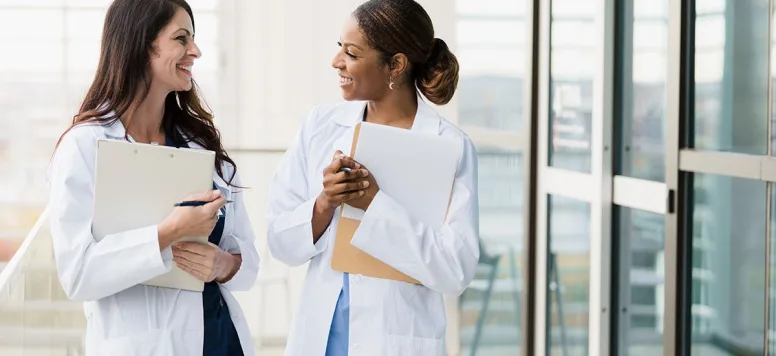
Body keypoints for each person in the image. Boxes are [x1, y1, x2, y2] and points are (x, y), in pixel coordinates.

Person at [267, 1, 480, 355]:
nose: (337, 62)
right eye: (340, 49)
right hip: (323, 334)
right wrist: (324, 203)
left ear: (395, 64)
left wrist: (374, 204)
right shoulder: (320, 126)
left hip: (396, 339)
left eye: (351, 53)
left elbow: (455, 270)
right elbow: (279, 241)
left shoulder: (449, 146)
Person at [47, 1, 259, 355]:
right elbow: (78, 275)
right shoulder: (84, 147)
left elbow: (247, 256)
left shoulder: (199, 144)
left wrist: (224, 265)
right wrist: (168, 232)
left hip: (220, 340)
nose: (195, 51)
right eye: (181, 39)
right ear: (143, 43)